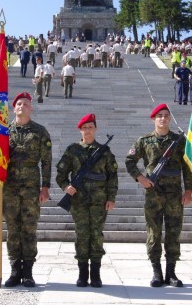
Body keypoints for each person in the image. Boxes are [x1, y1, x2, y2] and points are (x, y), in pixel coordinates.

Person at [125, 103, 192, 288]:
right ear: (153, 119)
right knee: (154, 233)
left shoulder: (179, 141)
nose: (163, 118)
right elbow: (129, 161)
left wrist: (188, 190)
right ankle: (157, 272)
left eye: (166, 115)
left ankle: (171, 273)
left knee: (173, 233)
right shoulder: (144, 141)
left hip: (174, 195)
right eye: (159, 116)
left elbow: (187, 167)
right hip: (153, 194)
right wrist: (140, 178)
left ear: (170, 118)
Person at [56, 114, 118, 288]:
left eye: (91, 127)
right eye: (85, 127)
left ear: (96, 129)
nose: (88, 130)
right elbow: (61, 174)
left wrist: (111, 198)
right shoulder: (73, 150)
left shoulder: (104, 152)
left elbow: (112, 177)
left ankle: (96, 274)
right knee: (82, 235)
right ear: (80, 130)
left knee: (96, 235)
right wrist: (66, 187)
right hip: (78, 201)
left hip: (99, 201)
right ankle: (83, 274)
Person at [4, 92, 52, 288]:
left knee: (29, 229)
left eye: (26, 104)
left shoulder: (40, 131)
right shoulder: (4, 131)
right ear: (14, 108)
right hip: (10, 188)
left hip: (32, 188)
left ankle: (28, 272)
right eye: (19, 104)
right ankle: (15, 270)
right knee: (13, 229)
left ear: (31, 108)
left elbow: (46, 161)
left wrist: (45, 187)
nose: (22, 106)